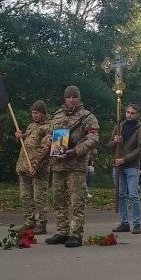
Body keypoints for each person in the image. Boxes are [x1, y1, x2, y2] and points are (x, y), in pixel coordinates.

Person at [44, 86, 99, 248]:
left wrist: (75, 151)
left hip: (76, 165)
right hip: (58, 164)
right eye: (68, 97)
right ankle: (62, 231)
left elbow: (94, 139)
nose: (71, 100)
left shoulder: (87, 116)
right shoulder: (58, 114)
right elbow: (48, 133)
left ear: (79, 98)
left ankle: (75, 234)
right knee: (58, 199)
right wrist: (48, 140)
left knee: (77, 201)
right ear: (64, 98)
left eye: (74, 97)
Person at [108, 104, 141, 235]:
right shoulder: (119, 126)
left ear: (137, 114)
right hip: (118, 166)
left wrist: (124, 159)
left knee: (133, 195)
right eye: (127, 112)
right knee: (121, 195)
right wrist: (115, 141)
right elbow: (109, 144)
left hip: (131, 166)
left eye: (132, 113)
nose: (129, 115)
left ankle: (136, 224)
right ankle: (124, 223)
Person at [15, 100, 51, 235]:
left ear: (43, 113)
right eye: (33, 113)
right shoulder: (31, 126)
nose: (34, 115)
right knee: (25, 196)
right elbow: (29, 142)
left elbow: (46, 147)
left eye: (37, 113)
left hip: (39, 167)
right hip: (24, 165)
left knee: (39, 197)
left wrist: (37, 164)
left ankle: (41, 223)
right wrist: (20, 136)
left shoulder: (49, 127)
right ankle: (29, 222)